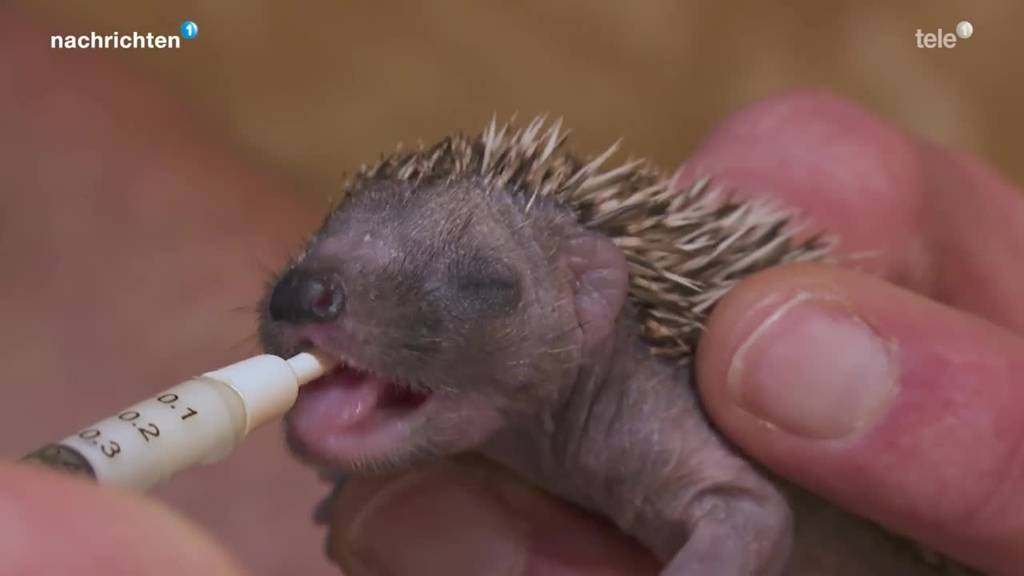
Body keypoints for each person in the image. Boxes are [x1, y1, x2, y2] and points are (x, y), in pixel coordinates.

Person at [3, 8, 1022, 576]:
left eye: (482, 288)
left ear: (587, 303)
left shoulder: (666, 407)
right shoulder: (486, 401)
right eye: (326, 254)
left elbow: (741, 520)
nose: (310, 292)